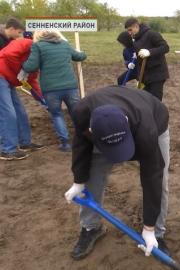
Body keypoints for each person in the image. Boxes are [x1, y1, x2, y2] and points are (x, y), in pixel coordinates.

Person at [64, 85, 170, 260]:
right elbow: (80, 145)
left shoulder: (146, 129)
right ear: (91, 131)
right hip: (105, 124)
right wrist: (78, 181)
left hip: (154, 121)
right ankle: (91, 228)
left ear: (127, 123)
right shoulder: (81, 112)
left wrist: (149, 228)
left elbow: (153, 176)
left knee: (161, 181)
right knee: (91, 177)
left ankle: (157, 234)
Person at [21, 31, 86, 152]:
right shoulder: (65, 44)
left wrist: (22, 64)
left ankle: (65, 143)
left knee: (56, 114)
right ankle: (83, 139)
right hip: (70, 86)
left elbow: (31, 66)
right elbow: (79, 56)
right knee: (76, 112)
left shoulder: (38, 46)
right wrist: (83, 53)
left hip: (50, 89)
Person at [0, 36, 45, 160]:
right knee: (8, 113)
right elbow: (9, 54)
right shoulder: (26, 43)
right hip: (1, 75)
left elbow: (32, 81)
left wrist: (44, 101)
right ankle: (7, 150)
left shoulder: (39, 59)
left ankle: (25, 143)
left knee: (21, 112)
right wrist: (20, 70)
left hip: (9, 80)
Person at [124, 18, 169, 101]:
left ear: (136, 26)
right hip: (146, 76)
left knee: (155, 101)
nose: (129, 33)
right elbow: (139, 62)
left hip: (157, 74)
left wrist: (150, 52)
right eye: (128, 31)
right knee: (144, 99)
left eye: (130, 30)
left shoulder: (152, 34)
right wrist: (139, 79)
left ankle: (158, 114)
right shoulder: (136, 41)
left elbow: (165, 47)